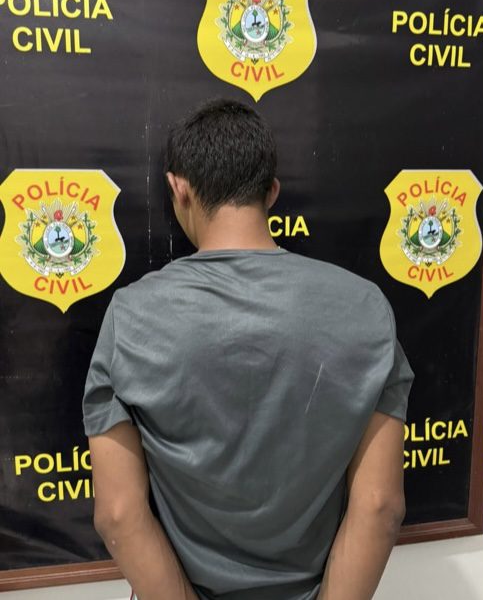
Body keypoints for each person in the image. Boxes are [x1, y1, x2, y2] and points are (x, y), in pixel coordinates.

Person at [82, 99, 413, 600]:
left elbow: (118, 514)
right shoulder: (365, 308)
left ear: (178, 188)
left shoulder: (131, 317)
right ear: (272, 192)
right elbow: (381, 507)